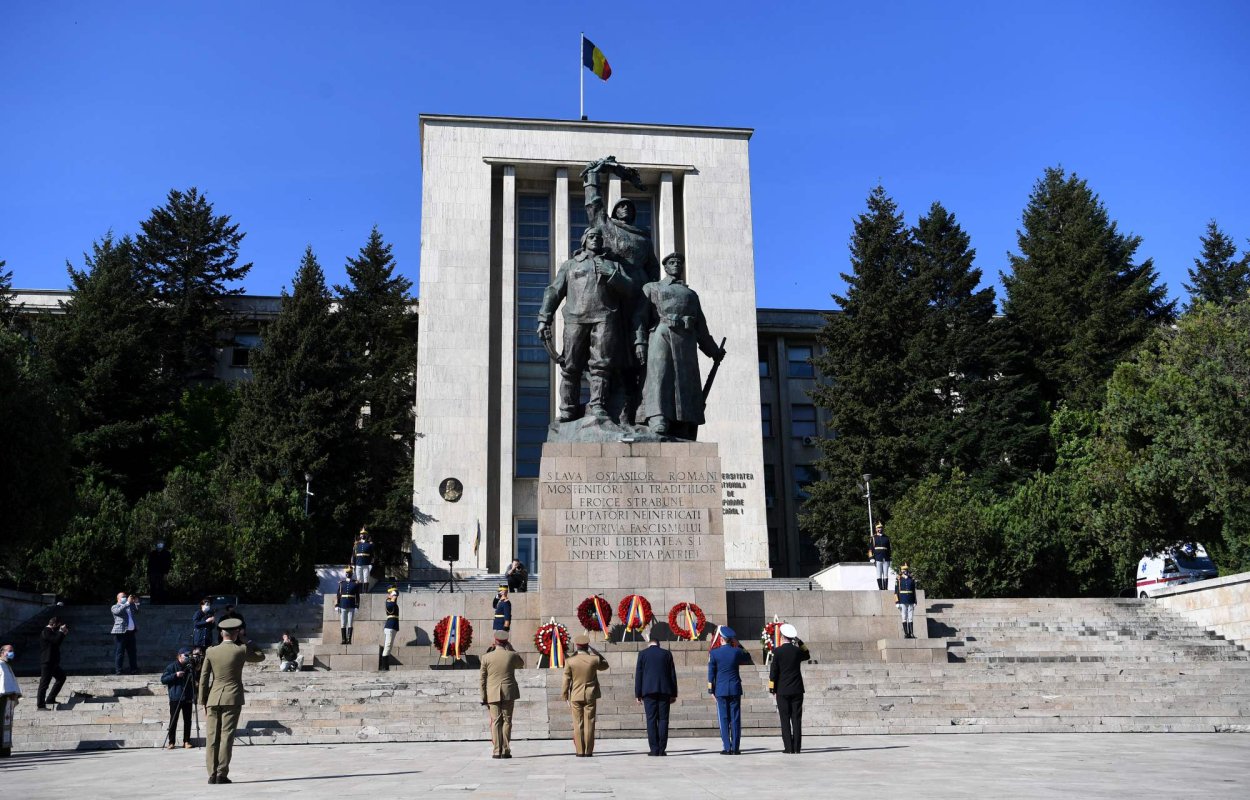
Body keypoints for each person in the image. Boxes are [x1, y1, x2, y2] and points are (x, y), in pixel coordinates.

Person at [537, 227, 636, 422]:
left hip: (605, 318)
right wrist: (544, 318)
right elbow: (554, 291)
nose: (596, 240)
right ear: (583, 241)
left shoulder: (612, 264)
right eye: (591, 237)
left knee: (601, 365)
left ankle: (597, 404)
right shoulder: (571, 265)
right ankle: (568, 408)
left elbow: (630, 290)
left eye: (599, 237)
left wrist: (613, 274)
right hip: (576, 318)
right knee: (570, 365)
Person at [635, 253, 726, 439]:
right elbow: (640, 318)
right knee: (659, 376)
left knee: (685, 382)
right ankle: (657, 416)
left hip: (687, 339)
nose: (676, 265)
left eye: (679, 263)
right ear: (665, 267)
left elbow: (702, 327)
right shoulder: (652, 288)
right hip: (662, 333)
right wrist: (640, 342)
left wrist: (713, 351)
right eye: (671, 262)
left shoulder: (691, 295)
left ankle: (683, 420)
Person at [198, 617, 265, 784]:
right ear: (236, 633)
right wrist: (247, 640)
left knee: (212, 737)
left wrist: (202, 701)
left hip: (213, 698)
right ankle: (222, 773)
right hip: (232, 697)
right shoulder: (241, 650)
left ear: (221, 633)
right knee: (227, 736)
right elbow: (260, 656)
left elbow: (204, 677)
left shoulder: (211, 651)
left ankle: (212, 774)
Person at [479, 629, 525, 759]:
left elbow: (482, 679)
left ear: (495, 641)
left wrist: (483, 696)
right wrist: (511, 649)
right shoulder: (511, 655)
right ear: (506, 642)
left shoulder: (486, 657)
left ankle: (496, 751)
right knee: (507, 720)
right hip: (508, 691)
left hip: (492, 692)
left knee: (496, 721)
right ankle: (505, 750)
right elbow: (521, 664)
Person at [562, 632, 609, 757]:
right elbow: (605, 665)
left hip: (576, 695)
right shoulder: (594, 659)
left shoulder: (570, 661)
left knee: (578, 723)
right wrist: (597, 653)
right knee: (590, 722)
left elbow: (566, 679)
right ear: (587, 646)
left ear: (577, 646)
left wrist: (565, 695)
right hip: (590, 694)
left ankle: (579, 751)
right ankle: (588, 751)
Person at [707, 626, 751, 755]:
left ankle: (727, 747)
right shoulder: (736, 651)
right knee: (735, 718)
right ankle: (736, 748)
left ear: (720, 639)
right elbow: (747, 657)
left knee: (724, 718)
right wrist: (738, 645)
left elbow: (711, 673)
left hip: (720, 689)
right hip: (735, 688)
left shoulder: (714, 653)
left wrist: (711, 690)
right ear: (731, 640)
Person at [768, 623, 810, 754]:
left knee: (785, 719)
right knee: (796, 719)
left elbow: (773, 672)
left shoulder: (778, 652)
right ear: (792, 638)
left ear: (781, 637)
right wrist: (800, 641)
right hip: (797, 690)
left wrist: (772, 689)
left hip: (782, 690)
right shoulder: (798, 651)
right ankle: (797, 748)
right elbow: (807, 654)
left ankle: (788, 747)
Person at [634, 638, 678, 756]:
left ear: (649, 644)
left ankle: (654, 749)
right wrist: (674, 693)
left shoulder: (643, 654)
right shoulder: (666, 653)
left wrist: (638, 694)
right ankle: (662, 749)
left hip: (648, 692)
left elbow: (639, 674)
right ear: (659, 644)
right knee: (663, 720)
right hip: (665, 691)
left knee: (651, 720)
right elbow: (672, 674)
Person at [161, 647, 197, 749]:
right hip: (175, 697)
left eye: (188, 655)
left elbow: (194, 681)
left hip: (187, 697)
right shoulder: (171, 667)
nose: (187, 657)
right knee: (174, 720)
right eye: (185, 655)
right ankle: (171, 742)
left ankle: (186, 741)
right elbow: (163, 679)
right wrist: (175, 675)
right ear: (179, 656)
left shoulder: (190, 667)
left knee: (187, 720)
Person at [37, 616, 69, 710]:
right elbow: (55, 640)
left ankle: (50, 698)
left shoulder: (51, 632)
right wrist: (61, 632)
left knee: (61, 677)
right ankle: (41, 705)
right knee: (44, 683)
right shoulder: (46, 631)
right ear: (54, 624)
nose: (59, 628)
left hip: (52, 661)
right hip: (47, 662)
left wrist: (62, 634)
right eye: (58, 626)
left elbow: (56, 642)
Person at [109, 592, 139, 674]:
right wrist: (127, 603)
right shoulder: (114, 607)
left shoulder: (129, 605)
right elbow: (118, 612)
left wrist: (136, 602)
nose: (125, 598)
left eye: (126, 596)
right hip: (120, 633)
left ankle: (134, 669)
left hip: (131, 632)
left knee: (132, 652)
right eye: (123, 596)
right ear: (118, 598)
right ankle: (118, 670)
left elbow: (137, 611)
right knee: (120, 652)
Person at [1, 643, 20, 756]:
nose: (11, 653)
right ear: (2, 652)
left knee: (6, 724)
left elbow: (10, 682)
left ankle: (5, 749)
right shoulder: (0, 665)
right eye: (9, 651)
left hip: (8, 699)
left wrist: (14, 693)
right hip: (2, 698)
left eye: (12, 650)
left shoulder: (7, 665)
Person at [335, 566, 360, 644]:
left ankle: (349, 639)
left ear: (352, 574)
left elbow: (357, 596)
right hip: (343, 605)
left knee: (350, 623)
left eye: (349, 573)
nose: (348, 574)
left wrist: (357, 605)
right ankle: (343, 639)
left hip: (351, 605)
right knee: (343, 623)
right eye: (347, 573)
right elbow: (338, 595)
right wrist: (337, 605)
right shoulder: (341, 583)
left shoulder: (355, 583)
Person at [895, 563, 918, 638]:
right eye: (904, 570)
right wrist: (897, 602)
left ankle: (911, 633)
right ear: (901, 571)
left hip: (910, 600)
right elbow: (896, 592)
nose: (905, 571)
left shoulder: (911, 579)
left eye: (906, 570)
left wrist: (915, 601)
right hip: (902, 600)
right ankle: (906, 633)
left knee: (910, 617)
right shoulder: (898, 579)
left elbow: (914, 591)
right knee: (904, 616)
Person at [380, 587, 400, 671]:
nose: (396, 597)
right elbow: (390, 607)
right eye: (394, 594)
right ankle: (384, 666)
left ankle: (385, 666)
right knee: (388, 645)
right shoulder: (388, 601)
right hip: (390, 626)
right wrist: (393, 597)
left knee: (389, 646)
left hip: (393, 626)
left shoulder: (392, 602)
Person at [871, 522, 892, 591]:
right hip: (877, 557)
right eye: (878, 528)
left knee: (885, 574)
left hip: (886, 558)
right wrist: (871, 557)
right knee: (879, 574)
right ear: (876, 529)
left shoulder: (886, 538)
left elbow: (889, 549)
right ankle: (880, 588)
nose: (880, 529)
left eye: (881, 528)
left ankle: (885, 588)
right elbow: (870, 549)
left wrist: (890, 558)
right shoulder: (873, 538)